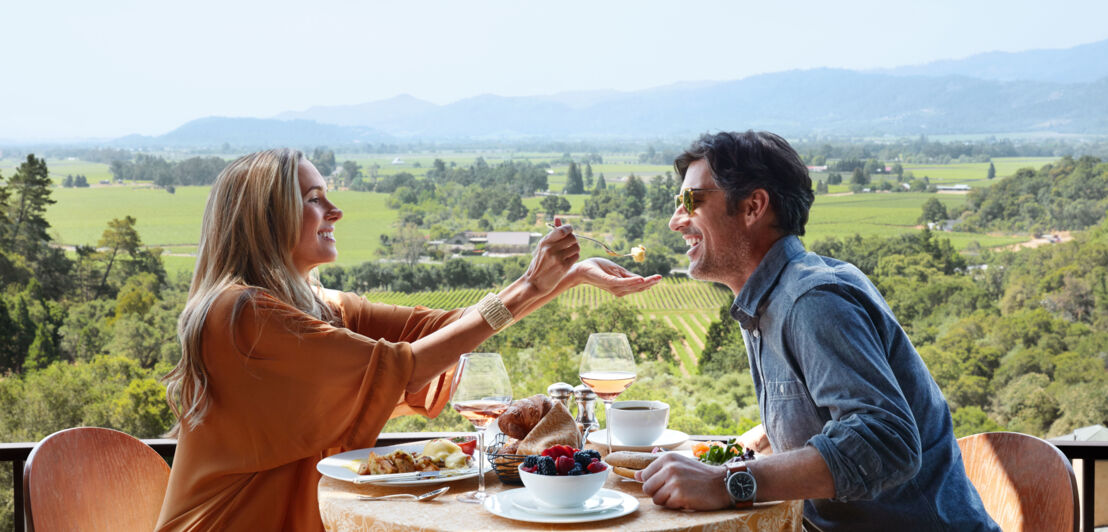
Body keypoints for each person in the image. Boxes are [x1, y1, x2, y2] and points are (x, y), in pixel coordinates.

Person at [155, 148, 661, 531]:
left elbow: (447, 330)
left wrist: (562, 279)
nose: (335, 211)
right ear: (265, 219)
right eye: (313, 200)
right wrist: (530, 284)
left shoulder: (318, 305)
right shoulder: (241, 313)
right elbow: (405, 365)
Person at [639, 131, 999, 531]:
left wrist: (729, 483)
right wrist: (768, 437)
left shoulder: (811, 301)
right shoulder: (772, 297)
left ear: (753, 206)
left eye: (691, 201)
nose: (676, 221)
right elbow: (837, 409)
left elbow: (886, 441)